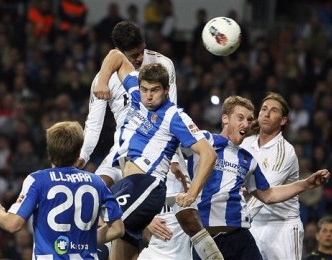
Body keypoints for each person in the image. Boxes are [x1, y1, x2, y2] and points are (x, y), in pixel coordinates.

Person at [93, 49, 222, 260]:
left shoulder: (174, 116)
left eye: (155, 90)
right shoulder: (136, 95)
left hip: (146, 185)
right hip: (131, 185)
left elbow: (208, 154)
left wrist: (192, 194)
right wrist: (102, 82)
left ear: (166, 90)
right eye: (145, 90)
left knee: (96, 218)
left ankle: (74, 243)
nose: (149, 96)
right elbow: (116, 55)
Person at [180, 95, 330, 260]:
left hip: (241, 236)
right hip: (208, 238)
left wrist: (306, 184)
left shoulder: (247, 158)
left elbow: (269, 195)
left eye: (249, 119)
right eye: (240, 118)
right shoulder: (205, 140)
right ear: (225, 118)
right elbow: (171, 143)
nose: (246, 124)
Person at [0, 121, 124, 258]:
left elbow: (13, 224)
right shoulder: (97, 182)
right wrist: (85, 242)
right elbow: (118, 229)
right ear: (79, 151)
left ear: (49, 150)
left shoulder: (38, 181)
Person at [75, 20, 178, 187]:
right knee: (97, 189)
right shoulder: (104, 78)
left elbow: (171, 112)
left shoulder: (163, 65)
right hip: (123, 147)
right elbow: (94, 124)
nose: (140, 58)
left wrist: (173, 157)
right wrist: (83, 156)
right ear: (119, 52)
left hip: (159, 145)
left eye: (142, 51)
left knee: (182, 212)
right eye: (133, 55)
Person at [240, 92, 304, 260]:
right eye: (264, 109)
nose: (267, 114)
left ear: (283, 121)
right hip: (252, 224)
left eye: (274, 110)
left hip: (282, 226)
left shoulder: (285, 151)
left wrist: (237, 221)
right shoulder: (245, 144)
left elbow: (264, 193)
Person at [138, 152, 191, 260]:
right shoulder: (144, 166)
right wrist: (145, 222)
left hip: (179, 251)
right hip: (152, 251)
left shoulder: (191, 168)